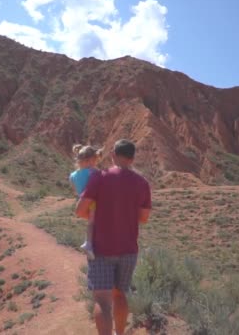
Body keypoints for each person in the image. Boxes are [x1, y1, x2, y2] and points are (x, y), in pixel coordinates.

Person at [75, 139, 151, 335]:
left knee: (102, 300)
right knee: (120, 294)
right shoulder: (142, 183)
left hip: (101, 249)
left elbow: (80, 210)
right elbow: (143, 218)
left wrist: (98, 216)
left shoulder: (100, 177)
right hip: (128, 250)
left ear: (112, 155)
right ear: (132, 158)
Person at [69, 144, 103, 260]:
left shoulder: (72, 175)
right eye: (95, 160)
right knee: (93, 223)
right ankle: (88, 243)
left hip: (82, 202)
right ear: (91, 160)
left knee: (90, 222)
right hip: (94, 201)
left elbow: (76, 191)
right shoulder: (94, 172)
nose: (96, 163)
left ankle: (88, 242)